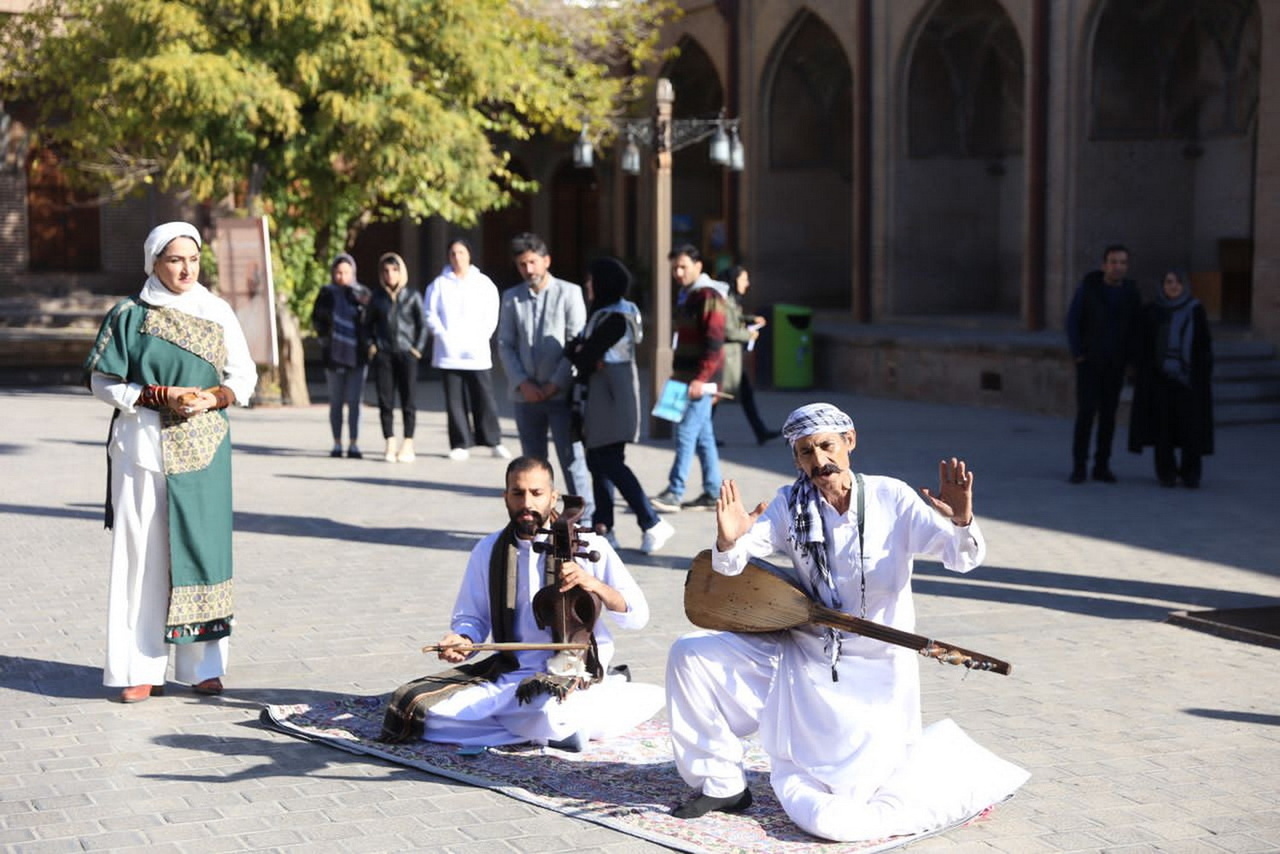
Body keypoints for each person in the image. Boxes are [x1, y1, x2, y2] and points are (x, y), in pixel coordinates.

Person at [665, 402, 1029, 841]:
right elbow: (730, 566)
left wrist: (961, 520)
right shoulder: (788, 505)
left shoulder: (890, 497)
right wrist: (728, 538)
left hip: (879, 665)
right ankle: (721, 784)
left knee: (853, 800)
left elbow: (962, 558)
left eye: (826, 446)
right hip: (803, 651)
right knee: (691, 655)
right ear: (795, 459)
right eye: (805, 452)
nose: (819, 461)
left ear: (849, 441)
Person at [83, 221, 258, 703]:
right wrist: (158, 395)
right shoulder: (129, 315)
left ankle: (203, 664)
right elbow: (103, 382)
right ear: (154, 262)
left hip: (204, 451)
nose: (186, 268)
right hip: (143, 450)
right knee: (144, 554)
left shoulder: (216, 310)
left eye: (193, 259)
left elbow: (243, 377)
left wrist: (214, 398)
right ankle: (139, 667)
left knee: (203, 551)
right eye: (175, 259)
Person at [384, 456, 663, 750]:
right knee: (418, 709)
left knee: (546, 709)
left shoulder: (590, 544)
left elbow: (637, 616)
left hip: (572, 673)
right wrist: (462, 639)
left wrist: (594, 585)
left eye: (536, 493)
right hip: (510, 671)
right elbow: (473, 618)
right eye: (518, 493)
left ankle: (559, 720)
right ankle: (561, 729)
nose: (527, 503)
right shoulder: (489, 549)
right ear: (506, 497)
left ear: (553, 496)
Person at [567, 256, 676, 555]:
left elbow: (583, 356)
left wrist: (582, 353)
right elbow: (582, 352)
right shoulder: (605, 313)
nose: (588, 285)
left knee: (608, 460)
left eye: (592, 280)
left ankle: (651, 522)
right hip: (602, 397)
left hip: (612, 398)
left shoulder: (616, 317)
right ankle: (604, 527)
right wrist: (582, 352)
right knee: (597, 461)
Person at [497, 232, 593, 519]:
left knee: (572, 459)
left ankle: (583, 520)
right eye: (522, 264)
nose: (528, 269)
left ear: (546, 260)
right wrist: (523, 383)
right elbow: (505, 343)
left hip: (561, 395)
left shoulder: (569, 293)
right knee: (533, 465)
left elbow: (575, 342)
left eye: (533, 262)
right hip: (526, 396)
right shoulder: (512, 298)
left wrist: (555, 384)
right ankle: (537, 519)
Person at [650, 244, 728, 513]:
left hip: (700, 380)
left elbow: (715, 342)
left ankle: (675, 490)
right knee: (703, 436)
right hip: (686, 377)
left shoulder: (708, 296)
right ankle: (711, 491)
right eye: (674, 268)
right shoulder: (688, 296)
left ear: (698, 266)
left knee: (685, 433)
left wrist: (702, 378)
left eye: (683, 266)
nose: (678, 272)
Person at [423, 238, 510, 461]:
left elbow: (492, 312)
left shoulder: (483, 283)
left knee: (484, 396)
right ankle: (460, 442)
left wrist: (483, 336)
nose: (457, 257)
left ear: (469, 255)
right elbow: (430, 313)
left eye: (461, 252)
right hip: (448, 352)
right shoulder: (439, 284)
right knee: (454, 399)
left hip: (476, 351)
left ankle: (493, 440)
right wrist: (442, 334)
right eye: (453, 253)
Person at [1128, 270, 1214, 488]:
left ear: (1184, 285)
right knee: (1162, 428)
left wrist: (1200, 373)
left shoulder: (1195, 310)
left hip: (1187, 379)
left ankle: (1190, 473)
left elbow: (1203, 346)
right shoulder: (1152, 311)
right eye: (1168, 282)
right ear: (1162, 285)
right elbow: (1142, 343)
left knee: (1190, 428)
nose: (1173, 286)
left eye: (1177, 282)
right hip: (1160, 378)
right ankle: (1166, 473)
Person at [1066, 244, 1142, 483]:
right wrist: (1079, 354)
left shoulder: (1131, 293)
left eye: (1122, 262)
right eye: (1113, 262)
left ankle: (1102, 465)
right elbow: (1072, 321)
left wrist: (1132, 361)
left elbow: (1136, 328)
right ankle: (1080, 466)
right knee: (1086, 413)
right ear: (1104, 265)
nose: (1117, 267)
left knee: (1109, 416)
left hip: (1115, 364)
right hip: (1090, 363)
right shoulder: (1088, 289)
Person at [367, 252, 428, 463]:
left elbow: (423, 325)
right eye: (385, 271)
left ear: (401, 272)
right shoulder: (377, 298)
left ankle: (408, 443)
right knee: (385, 401)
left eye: (394, 270)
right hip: (384, 355)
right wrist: (372, 346)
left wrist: (417, 349)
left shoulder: (412, 296)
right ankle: (390, 441)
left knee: (408, 400)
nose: (390, 274)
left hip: (406, 354)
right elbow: (367, 325)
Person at [311, 253, 372, 459]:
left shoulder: (362, 294)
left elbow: (369, 321)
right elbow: (317, 319)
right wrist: (325, 341)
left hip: (357, 356)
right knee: (336, 401)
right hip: (334, 355)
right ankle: (337, 443)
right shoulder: (326, 293)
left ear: (353, 273)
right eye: (338, 272)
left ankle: (354, 444)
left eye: (346, 272)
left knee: (355, 401)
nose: (341, 276)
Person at [717, 265, 781, 446]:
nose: (747, 284)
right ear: (733, 280)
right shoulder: (724, 300)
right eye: (743, 279)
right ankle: (703, 435)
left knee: (745, 394)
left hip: (733, 359)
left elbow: (735, 320)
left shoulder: (731, 300)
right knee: (715, 397)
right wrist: (748, 334)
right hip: (726, 359)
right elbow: (727, 330)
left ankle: (760, 431)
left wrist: (750, 320)